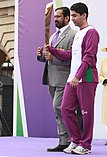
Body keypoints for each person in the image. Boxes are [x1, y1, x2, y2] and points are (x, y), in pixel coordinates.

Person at [45, 2, 100, 155]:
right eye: (72, 15)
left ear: (84, 15)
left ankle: (86, 145)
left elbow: (89, 57)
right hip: (72, 78)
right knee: (65, 109)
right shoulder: (78, 34)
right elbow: (70, 55)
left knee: (86, 112)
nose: (73, 19)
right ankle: (75, 140)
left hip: (86, 77)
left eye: (75, 16)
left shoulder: (91, 32)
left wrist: (78, 75)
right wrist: (53, 50)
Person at [37, 7, 76, 152]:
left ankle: (74, 139)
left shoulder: (73, 35)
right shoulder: (53, 36)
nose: (55, 19)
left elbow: (72, 58)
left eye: (59, 17)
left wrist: (52, 57)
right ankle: (63, 140)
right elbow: (46, 58)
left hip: (64, 77)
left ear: (67, 18)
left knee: (59, 107)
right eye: (55, 17)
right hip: (51, 78)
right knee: (57, 111)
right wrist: (40, 54)